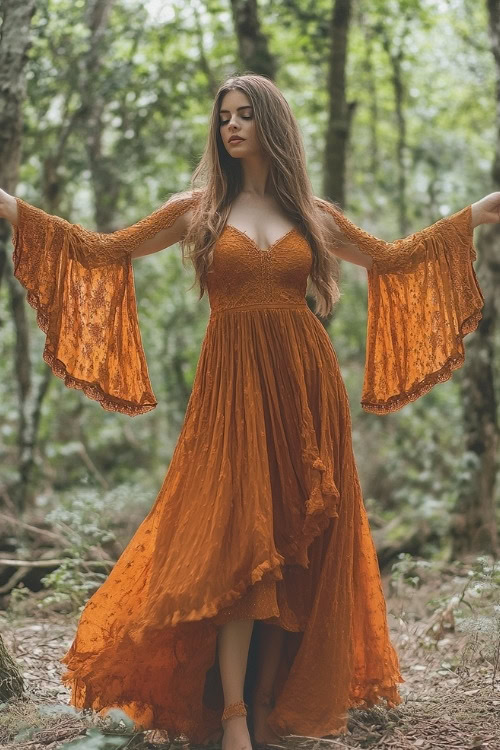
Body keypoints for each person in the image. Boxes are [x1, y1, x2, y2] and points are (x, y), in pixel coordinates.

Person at [0, 72, 497, 750]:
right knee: (236, 547)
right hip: (231, 395)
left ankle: (268, 706)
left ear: (272, 124)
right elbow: (100, 250)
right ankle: (231, 714)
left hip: (305, 390)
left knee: (295, 549)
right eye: (224, 117)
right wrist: (11, 209)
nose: (232, 126)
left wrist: (477, 212)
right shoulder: (196, 209)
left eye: (245, 115)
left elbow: (392, 259)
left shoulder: (311, 213)